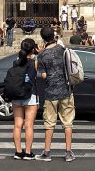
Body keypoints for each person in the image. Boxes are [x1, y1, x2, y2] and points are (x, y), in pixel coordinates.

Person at [36, 25, 75, 162]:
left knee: (49, 123)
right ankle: (68, 152)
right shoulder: (63, 50)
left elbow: (44, 75)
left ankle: (47, 152)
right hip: (66, 90)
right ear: (54, 36)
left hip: (51, 92)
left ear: (42, 38)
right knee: (67, 123)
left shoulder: (41, 55)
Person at [10, 37, 40, 160]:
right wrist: (39, 53)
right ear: (33, 50)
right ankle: (28, 152)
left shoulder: (16, 62)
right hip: (30, 95)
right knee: (29, 125)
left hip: (16, 94)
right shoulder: (35, 62)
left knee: (17, 125)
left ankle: (18, 151)